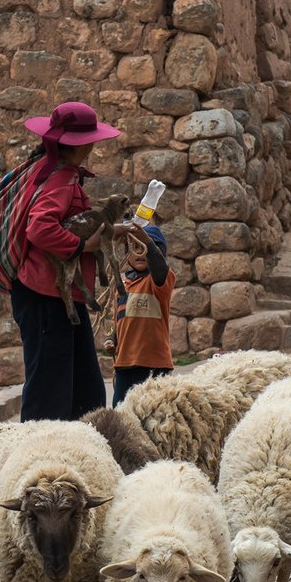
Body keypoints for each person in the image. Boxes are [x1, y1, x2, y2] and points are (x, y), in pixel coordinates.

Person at [11, 102, 122, 422]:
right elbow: (40, 228)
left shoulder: (59, 173)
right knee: (50, 394)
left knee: (85, 392)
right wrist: (83, 245)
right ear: (84, 143)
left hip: (59, 297)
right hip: (45, 295)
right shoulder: (60, 179)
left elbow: (67, 219)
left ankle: (81, 457)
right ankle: (35, 460)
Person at [104, 223, 175, 406]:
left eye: (145, 248)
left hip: (155, 365)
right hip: (125, 365)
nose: (140, 252)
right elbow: (119, 321)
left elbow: (158, 266)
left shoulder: (160, 281)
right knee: (122, 414)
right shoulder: (122, 285)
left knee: (157, 414)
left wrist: (146, 241)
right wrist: (112, 338)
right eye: (134, 247)